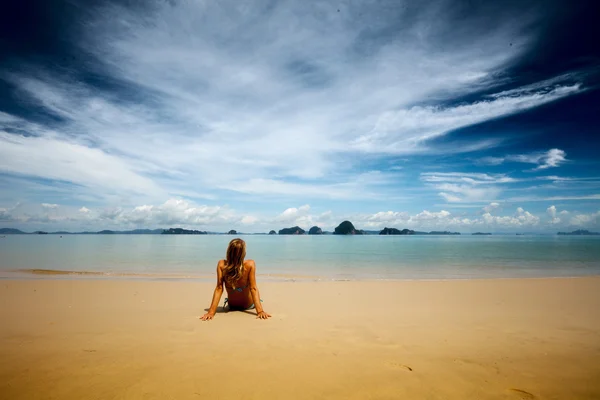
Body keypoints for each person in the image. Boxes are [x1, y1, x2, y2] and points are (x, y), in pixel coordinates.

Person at [200, 238, 271, 320]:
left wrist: (211, 312)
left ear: (229, 251)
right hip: (248, 306)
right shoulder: (250, 264)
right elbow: (253, 288)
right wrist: (260, 311)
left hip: (232, 306)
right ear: (243, 253)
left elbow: (219, 288)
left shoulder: (222, 265)